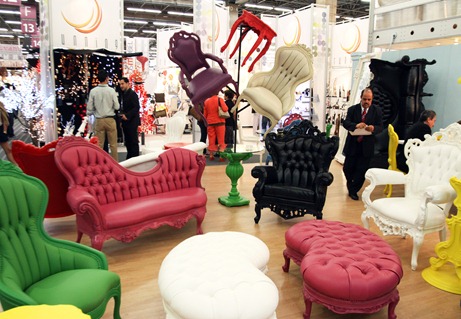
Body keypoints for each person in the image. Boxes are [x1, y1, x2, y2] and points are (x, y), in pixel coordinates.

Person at [342, 87, 383, 200]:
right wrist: (355, 125)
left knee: (361, 170)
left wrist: (373, 128)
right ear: (361, 98)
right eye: (365, 99)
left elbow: (381, 127)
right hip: (353, 144)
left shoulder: (377, 111)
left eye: (369, 100)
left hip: (367, 146)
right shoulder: (352, 110)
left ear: (372, 99)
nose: (366, 102)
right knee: (347, 168)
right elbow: (346, 123)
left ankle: (354, 190)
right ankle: (350, 185)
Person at [87, 69, 120, 161]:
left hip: (99, 120)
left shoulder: (93, 91)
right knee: (113, 144)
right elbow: (117, 106)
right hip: (110, 120)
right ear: (107, 78)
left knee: (99, 145)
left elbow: (89, 108)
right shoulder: (111, 90)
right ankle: (115, 164)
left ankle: (100, 163)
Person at [119, 77, 140, 159]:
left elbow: (136, 108)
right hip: (126, 122)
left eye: (122, 84)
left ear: (128, 83)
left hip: (132, 122)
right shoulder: (124, 94)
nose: (121, 86)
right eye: (120, 84)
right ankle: (130, 158)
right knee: (128, 142)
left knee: (133, 141)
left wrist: (127, 116)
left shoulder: (132, 94)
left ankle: (135, 158)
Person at [203, 95, 228, 161]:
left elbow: (205, 114)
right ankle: (221, 156)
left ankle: (211, 155)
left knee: (211, 139)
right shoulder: (220, 99)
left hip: (210, 122)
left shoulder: (206, 101)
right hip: (220, 122)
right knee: (221, 139)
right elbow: (225, 109)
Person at [0, 101, 17, 166]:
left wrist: (4, 131)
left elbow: (5, 119)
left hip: (0, 130)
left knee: (8, 150)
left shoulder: (0, 104)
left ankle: (16, 166)